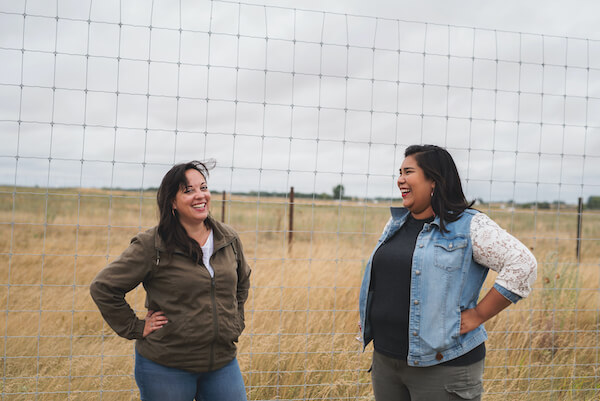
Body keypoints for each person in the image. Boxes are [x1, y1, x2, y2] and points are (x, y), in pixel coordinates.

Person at [358, 145, 537, 401]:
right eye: (399, 172)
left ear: (434, 180)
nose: (400, 179)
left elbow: (523, 264)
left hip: (444, 366)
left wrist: (478, 314)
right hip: (386, 360)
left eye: (408, 172)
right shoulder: (397, 222)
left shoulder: (470, 226)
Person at [90, 160, 251, 401]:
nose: (200, 195)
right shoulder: (152, 244)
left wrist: (235, 322)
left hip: (221, 363)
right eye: (189, 190)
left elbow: (242, 283)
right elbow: (104, 287)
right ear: (172, 202)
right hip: (166, 366)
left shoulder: (228, 238)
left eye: (203, 187)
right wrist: (136, 326)